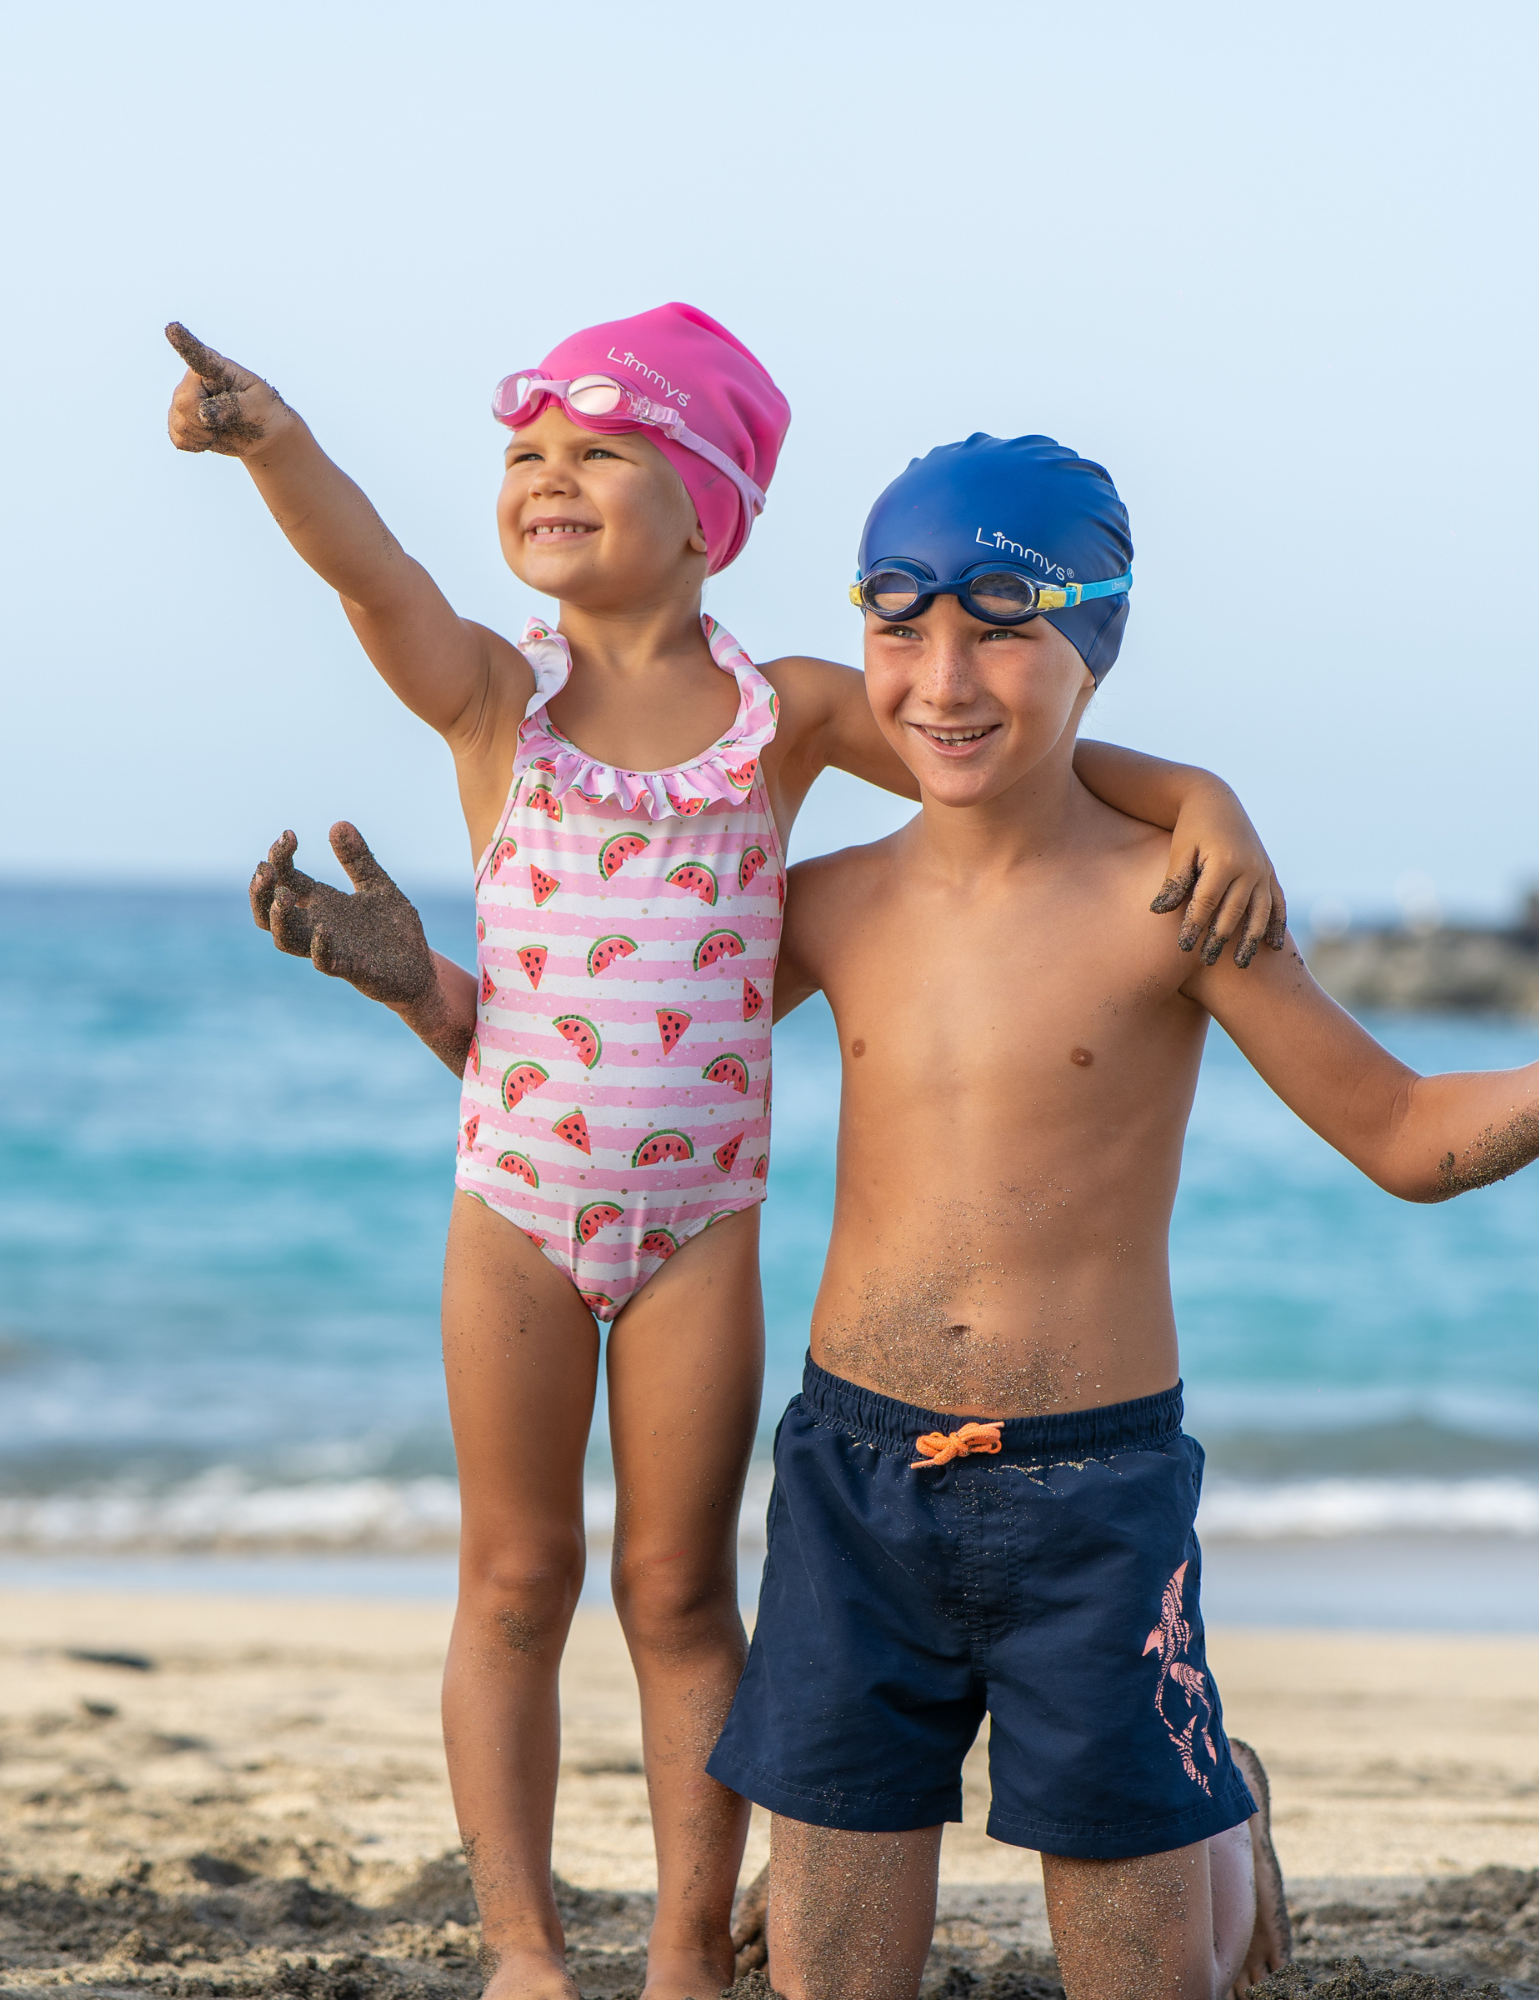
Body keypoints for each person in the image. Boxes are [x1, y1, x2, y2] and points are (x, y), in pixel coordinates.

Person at [171, 306, 1286, 2000]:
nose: (550, 476)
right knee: (516, 1577)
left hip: (699, 1224)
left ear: (711, 513)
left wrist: (1199, 792)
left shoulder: (788, 715)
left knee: (680, 1590)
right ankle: (526, 1952)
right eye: (526, 452)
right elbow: (370, 575)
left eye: (600, 450)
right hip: (515, 1204)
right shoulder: (491, 698)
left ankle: (690, 1950)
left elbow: (978, 734)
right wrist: (275, 444)